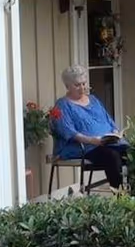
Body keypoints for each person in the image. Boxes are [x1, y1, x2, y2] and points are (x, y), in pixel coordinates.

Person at [51, 65, 128, 193]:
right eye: (77, 85)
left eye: (84, 83)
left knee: (131, 152)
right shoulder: (62, 105)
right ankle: (120, 196)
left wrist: (115, 133)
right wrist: (93, 140)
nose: (82, 88)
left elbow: (108, 120)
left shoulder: (93, 100)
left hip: (105, 143)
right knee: (112, 156)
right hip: (83, 147)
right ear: (67, 86)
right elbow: (69, 132)